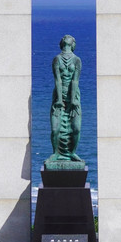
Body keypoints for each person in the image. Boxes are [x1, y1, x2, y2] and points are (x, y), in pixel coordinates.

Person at [47, 34, 83, 162]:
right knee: (55, 129)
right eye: (65, 37)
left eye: (70, 37)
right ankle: (55, 153)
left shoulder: (77, 60)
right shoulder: (57, 59)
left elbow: (75, 81)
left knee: (76, 128)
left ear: (73, 44)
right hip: (59, 96)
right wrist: (60, 100)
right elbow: (57, 80)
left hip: (74, 96)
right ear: (62, 43)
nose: (67, 37)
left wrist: (73, 99)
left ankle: (72, 152)